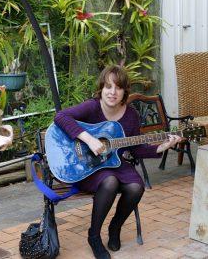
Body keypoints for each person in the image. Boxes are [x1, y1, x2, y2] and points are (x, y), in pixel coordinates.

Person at [54, 65, 181, 259]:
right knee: (110, 181)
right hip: (86, 165)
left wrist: (161, 148)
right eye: (108, 87)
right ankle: (94, 236)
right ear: (101, 89)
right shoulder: (92, 106)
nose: (112, 92)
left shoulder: (131, 115)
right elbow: (60, 117)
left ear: (124, 91)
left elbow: (135, 147)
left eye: (118, 88)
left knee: (136, 187)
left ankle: (115, 227)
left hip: (114, 162)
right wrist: (89, 139)